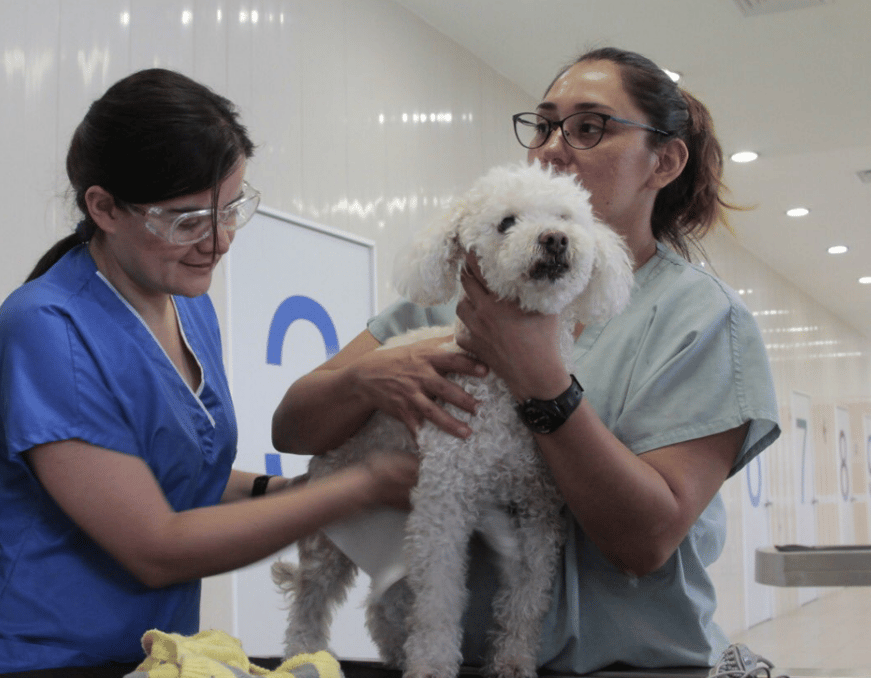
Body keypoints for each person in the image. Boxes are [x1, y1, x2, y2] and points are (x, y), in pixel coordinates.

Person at [0, 68, 417, 678]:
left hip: (140, 653)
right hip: (19, 655)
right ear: (104, 207)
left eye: (232, 210)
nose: (218, 242)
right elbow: (155, 546)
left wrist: (297, 491)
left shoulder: (188, 306)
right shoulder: (46, 333)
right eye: (186, 221)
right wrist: (357, 487)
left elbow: (174, 469)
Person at [271, 47, 780, 673]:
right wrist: (367, 379)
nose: (553, 147)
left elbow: (644, 542)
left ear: (665, 161)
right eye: (543, 125)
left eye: (589, 127)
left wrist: (541, 378)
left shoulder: (703, 322)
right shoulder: (466, 290)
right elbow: (293, 428)